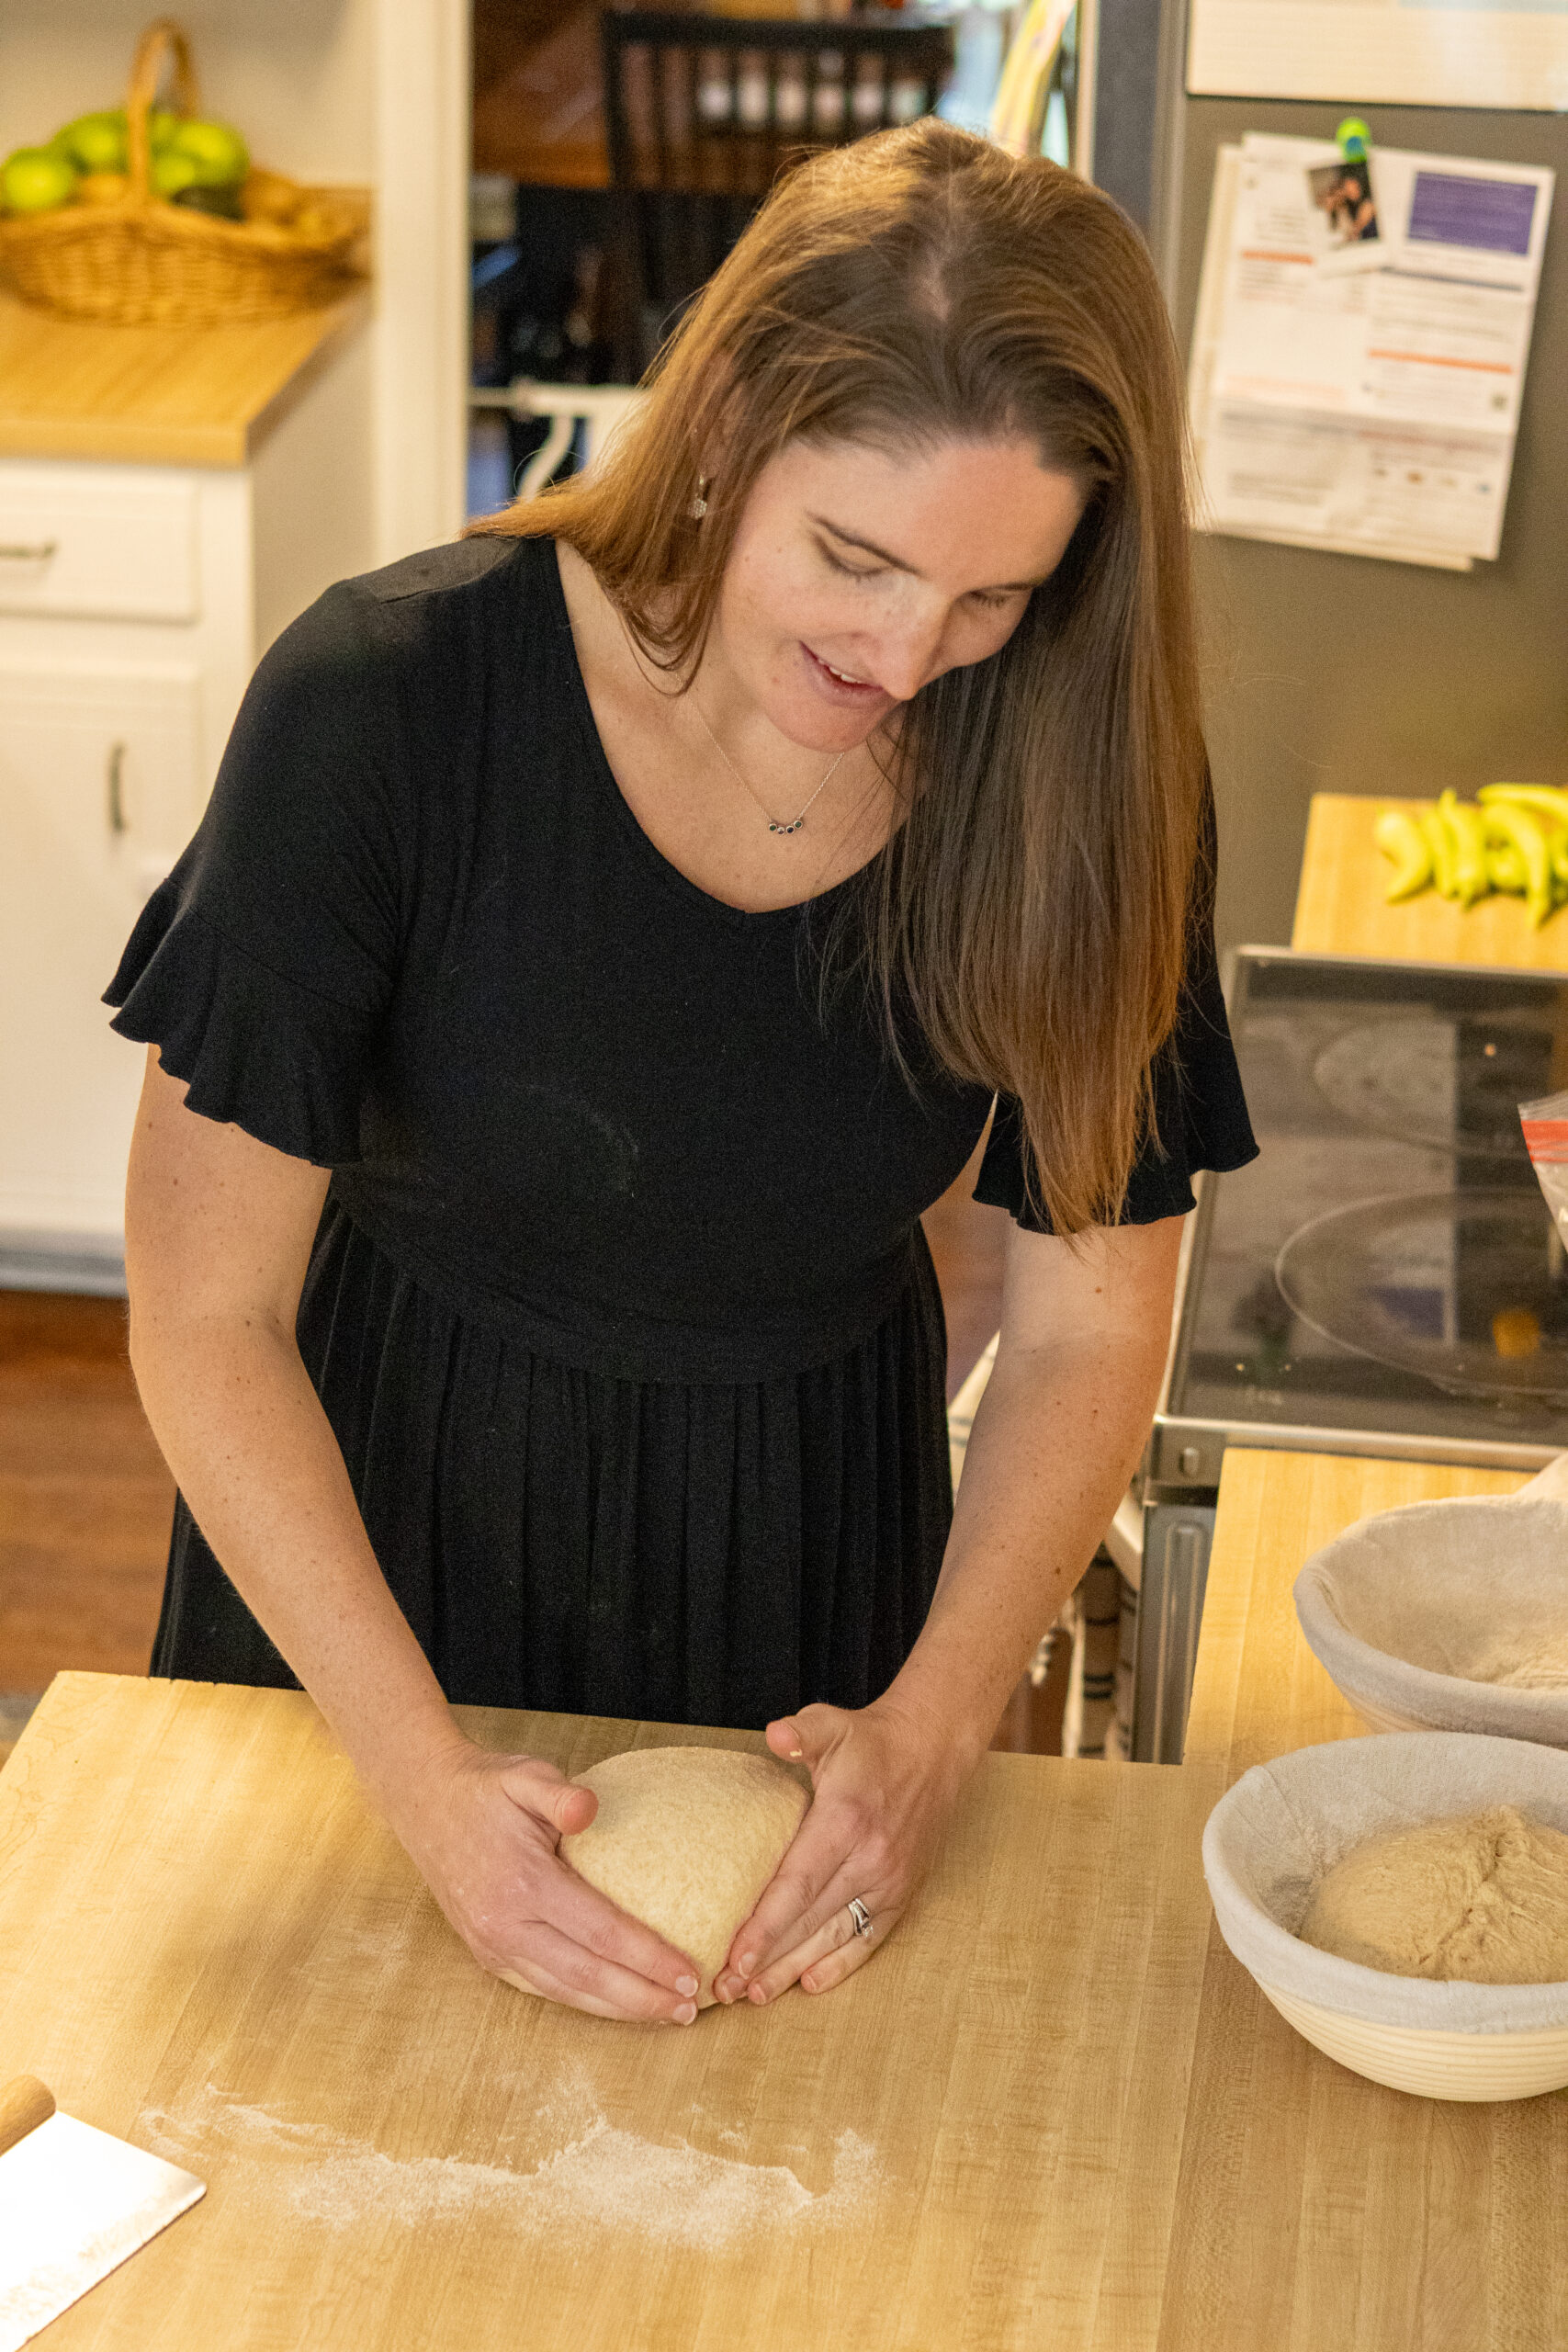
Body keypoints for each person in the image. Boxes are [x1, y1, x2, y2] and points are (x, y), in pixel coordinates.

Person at [107, 121, 1256, 2029]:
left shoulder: (1079, 778)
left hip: (807, 1549)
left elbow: (1077, 1325)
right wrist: (419, 1775)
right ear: (721, 420)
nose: (904, 656)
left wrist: (930, 1723)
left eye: (989, 601)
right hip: (367, 1561)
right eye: (855, 558)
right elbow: (204, 1308)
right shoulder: (387, 704)